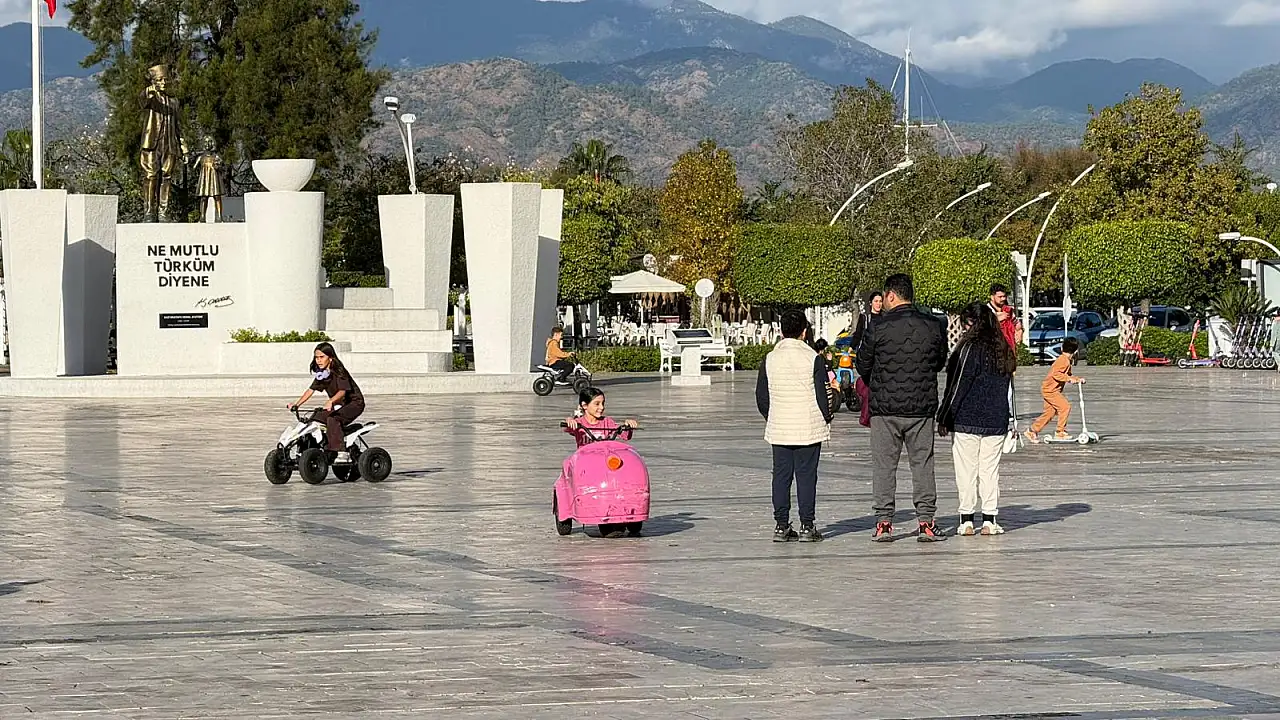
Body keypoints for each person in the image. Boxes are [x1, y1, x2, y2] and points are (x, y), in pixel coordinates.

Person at [854, 274, 948, 543]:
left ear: (891, 296)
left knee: (884, 466)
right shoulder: (933, 325)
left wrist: (880, 381)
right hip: (921, 408)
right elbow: (939, 362)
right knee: (922, 465)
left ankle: (883, 523)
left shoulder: (879, 327)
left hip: (885, 409)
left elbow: (863, 365)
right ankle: (927, 523)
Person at [937, 302, 1016, 536]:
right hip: (996, 419)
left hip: (967, 418)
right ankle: (990, 519)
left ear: (971, 323)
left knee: (966, 470)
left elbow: (958, 385)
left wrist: (944, 415)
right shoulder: (1004, 348)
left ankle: (967, 520)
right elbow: (1010, 389)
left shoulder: (968, 348)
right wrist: (1011, 419)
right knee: (990, 471)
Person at [756, 310, 834, 543]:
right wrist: (827, 417)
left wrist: (773, 416)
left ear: (781, 331)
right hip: (808, 428)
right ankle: (807, 526)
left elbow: (761, 397)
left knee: (781, 476)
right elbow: (823, 396)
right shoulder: (813, 358)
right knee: (806, 476)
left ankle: (781, 525)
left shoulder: (770, 358)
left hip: (780, 427)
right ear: (804, 331)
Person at [288, 342, 365, 463]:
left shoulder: (339, 371)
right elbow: (311, 390)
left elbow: (342, 392)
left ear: (330, 357)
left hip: (354, 404)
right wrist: (297, 404)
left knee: (333, 419)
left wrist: (330, 401)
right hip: (339, 405)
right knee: (314, 418)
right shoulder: (322, 374)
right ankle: (310, 450)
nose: (318, 360)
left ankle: (341, 452)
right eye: (316, 357)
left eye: (321, 357)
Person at [1025, 337, 1085, 443]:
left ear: (1062, 348)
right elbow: (1056, 374)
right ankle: (1060, 431)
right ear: (1075, 351)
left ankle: (1032, 430)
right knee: (1065, 407)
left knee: (1049, 413)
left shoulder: (1066, 360)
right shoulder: (1064, 361)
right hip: (1050, 390)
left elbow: (1067, 374)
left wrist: (1077, 379)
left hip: (1050, 389)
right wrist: (1069, 379)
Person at [563, 387, 638, 447]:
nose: (602, 407)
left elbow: (625, 436)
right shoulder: (579, 422)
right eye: (597, 404)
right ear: (585, 405)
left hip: (604, 458)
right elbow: (568, 428)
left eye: (603, 403)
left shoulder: (607, 422)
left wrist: (628, 426)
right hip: (585, 459)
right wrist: (569, 420)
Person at [988, 284, 1022, 348]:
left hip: (1008, 348)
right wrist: (996, 319)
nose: (1003, 299)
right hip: (992, 348)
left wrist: (1019, 332)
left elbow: (1017, 325)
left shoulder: (1008, 310)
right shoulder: (986, 310)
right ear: (992, 297)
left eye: (1004, 296)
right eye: (1000, 297)